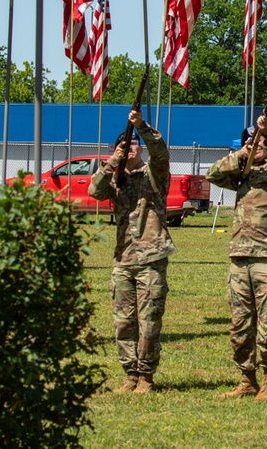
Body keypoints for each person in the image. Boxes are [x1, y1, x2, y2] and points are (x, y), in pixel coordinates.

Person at [206, 113, 267, 401]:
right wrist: (243, 154)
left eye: (257, 141)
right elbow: (213, 173)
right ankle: (247, 378)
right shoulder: (241, 172)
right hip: (240, 254)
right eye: (250, 141)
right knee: (240, 323)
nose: (255, 145)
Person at [89, 109, 175, 394]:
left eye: (134, 144)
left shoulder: (154, 174)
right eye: (124, 145)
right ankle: (130, 374)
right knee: (123, 322)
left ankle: (146, 376)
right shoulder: (115, 179)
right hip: (123, 259)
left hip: (151, 257)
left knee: (149, 320)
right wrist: (112, 162)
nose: (130, 149)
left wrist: (142, 127)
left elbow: (160, 152)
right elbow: (94, 190)